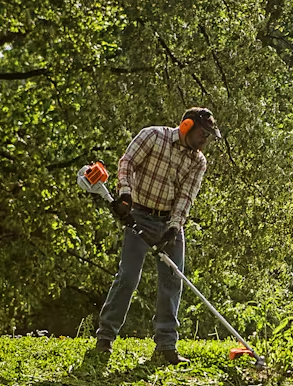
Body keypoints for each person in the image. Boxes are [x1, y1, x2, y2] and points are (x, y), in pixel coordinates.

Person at [94, 107, 221, 364]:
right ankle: (105, 339)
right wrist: (125, 194)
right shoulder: (153, 136)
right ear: (186, 125)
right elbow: (127, 162)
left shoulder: (198, 161)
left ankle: (166, 347)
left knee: (173, 282)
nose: (204, 139)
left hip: (169, 221)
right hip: (139, 214)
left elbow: (186, 196)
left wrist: (174, 227)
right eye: (202, 133)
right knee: (128, 277)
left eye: (209, 135)